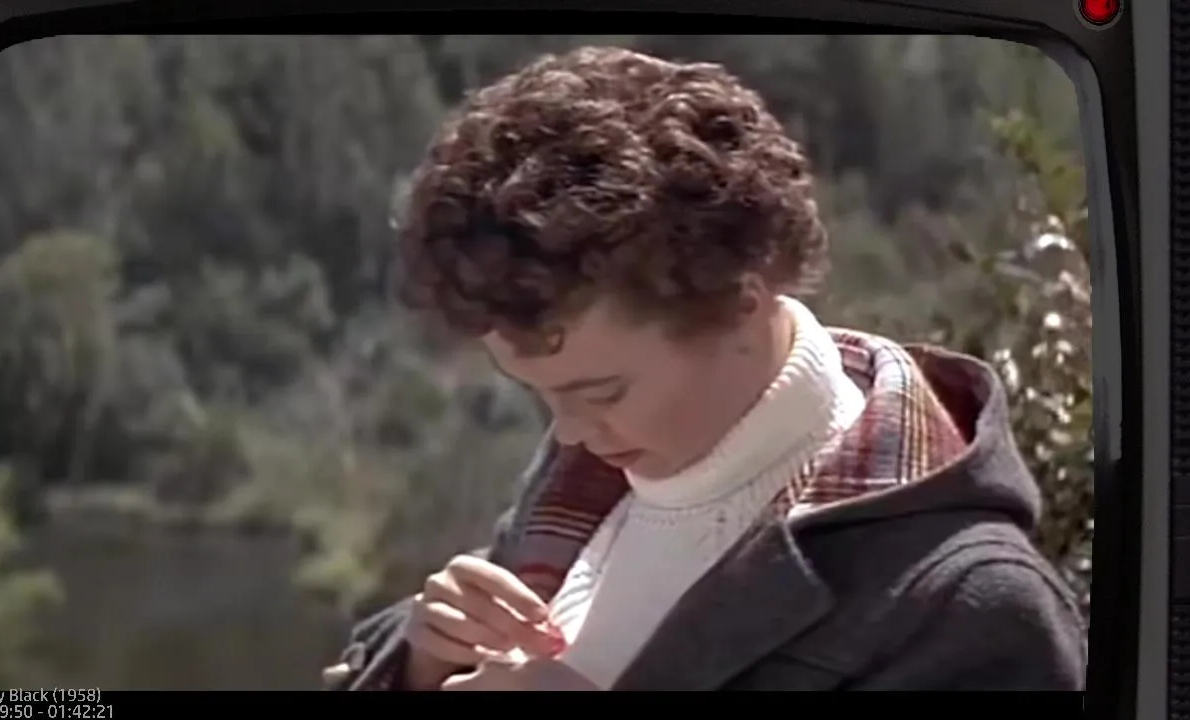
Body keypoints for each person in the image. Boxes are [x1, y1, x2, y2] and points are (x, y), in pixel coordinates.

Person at [322, 46, 1088, 691]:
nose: (572, 433)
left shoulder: (970, 606)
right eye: (542, 397)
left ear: (741, 303)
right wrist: (421, 660)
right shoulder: (583, 481)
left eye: (602, 391)